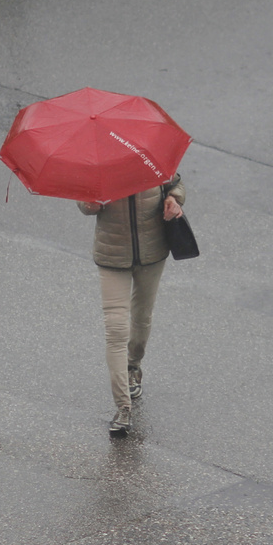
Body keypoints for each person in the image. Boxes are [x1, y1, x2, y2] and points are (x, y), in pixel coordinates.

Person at [78, 176, 185, 436]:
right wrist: (90, 205)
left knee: (142, 317)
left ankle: (133, 366)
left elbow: (176, 184)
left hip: (152, 251)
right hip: (112, 255)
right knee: (115, 332)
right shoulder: (97, 163)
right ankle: (123, 407)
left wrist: (174, 199)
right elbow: (82, 201)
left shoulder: (148, 153)